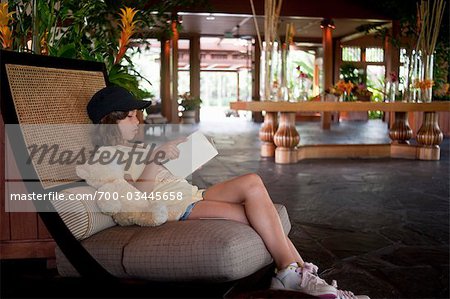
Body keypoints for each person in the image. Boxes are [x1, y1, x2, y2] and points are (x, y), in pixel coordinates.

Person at [84, 86, 370, 299]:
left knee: (252, 182)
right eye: (131, 117)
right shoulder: (104, 158)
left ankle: (295, 275)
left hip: (189, 193)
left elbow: (159, 176)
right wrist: (155, 160)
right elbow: (135, 200)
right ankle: (298, 276)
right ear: (111, 121)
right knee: (259, 217)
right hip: (174, 207)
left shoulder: (132, 148)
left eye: (137, 115)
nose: (138, 121)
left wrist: (180, 155)